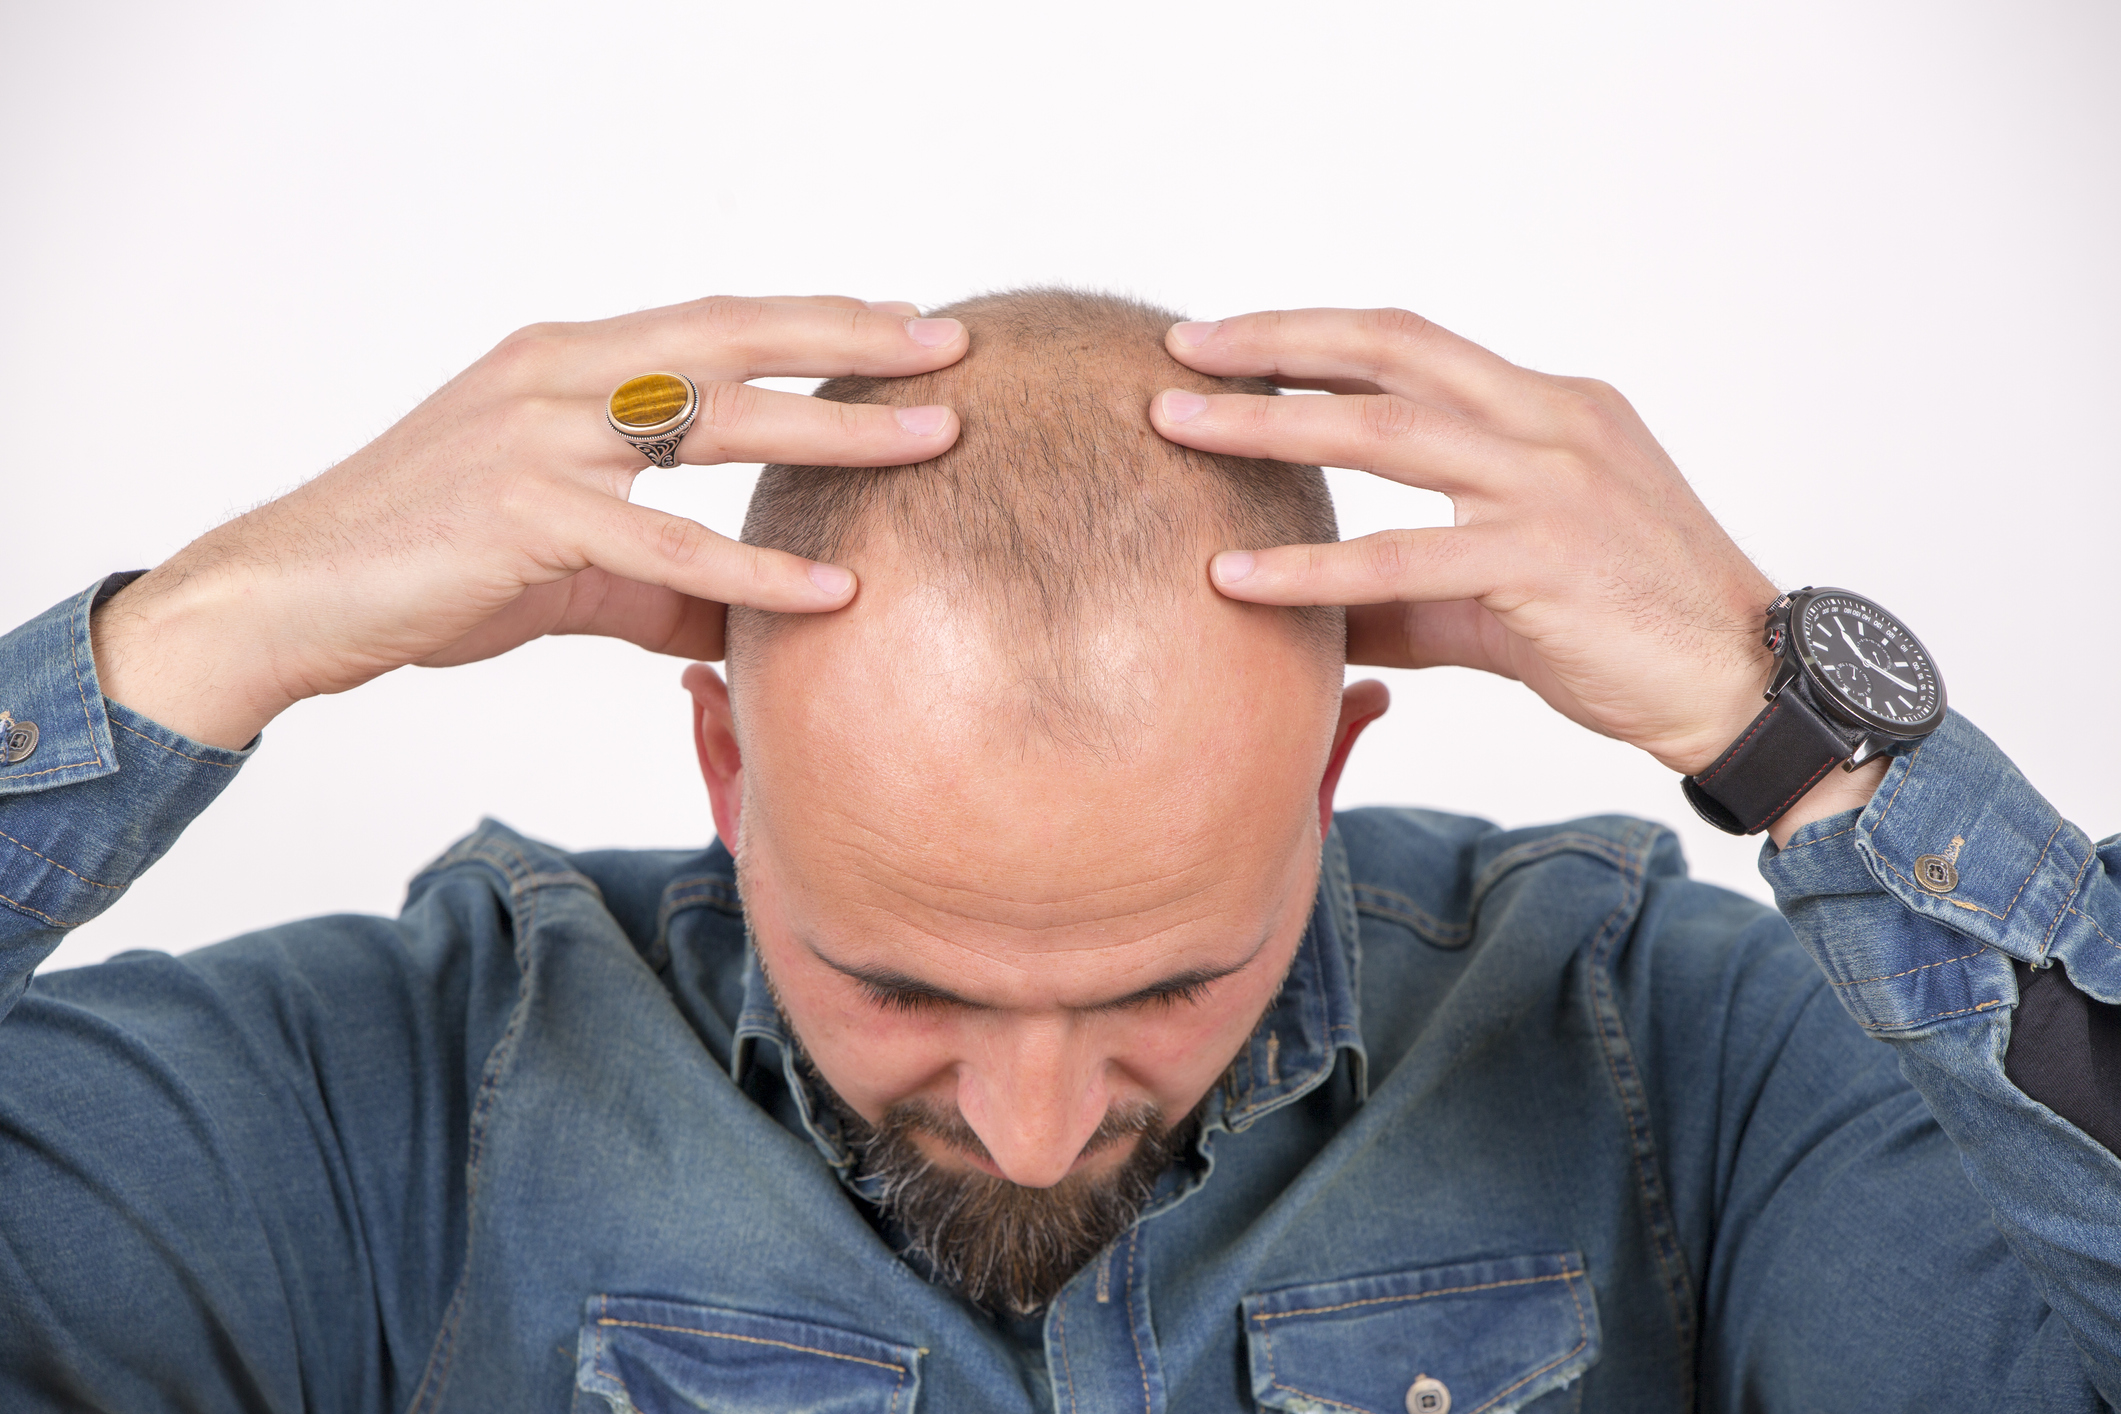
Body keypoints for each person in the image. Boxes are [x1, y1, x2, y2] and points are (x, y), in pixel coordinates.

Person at [0, 287, 2114, 1413]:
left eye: (1162, 984)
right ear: (724, 769)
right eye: (903, 982)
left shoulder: (1668, 1042)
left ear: (1325, 768)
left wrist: (1819, 746)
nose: (1025, 1130)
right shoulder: (379, 1106)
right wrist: (195, 634)